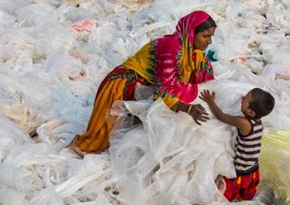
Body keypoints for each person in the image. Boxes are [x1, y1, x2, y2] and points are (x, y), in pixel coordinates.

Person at [70, 11, 216, 155]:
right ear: (191, 32)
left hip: (142, 88)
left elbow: (207, 84)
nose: (209, 41)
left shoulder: (196, 56)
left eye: (211, 37)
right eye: (205, 36)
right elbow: (164, 87)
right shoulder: (172, 46)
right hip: (122, 86)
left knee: (131, 138)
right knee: (97, 141)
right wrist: (187, 108)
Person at [200, 87, 275, 202]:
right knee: (246, 193)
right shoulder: (258, 123)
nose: (242, 98)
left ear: (250, 112)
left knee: (225, 195)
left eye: (245, 98)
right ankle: (243, 198)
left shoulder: (244, 123)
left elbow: (221, 116)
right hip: (252, 168)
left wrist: (210, 101)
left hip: (240, 170)